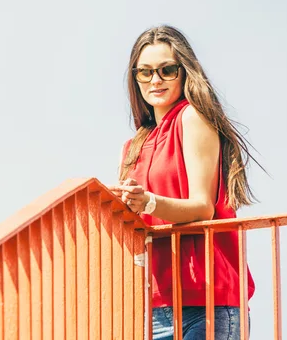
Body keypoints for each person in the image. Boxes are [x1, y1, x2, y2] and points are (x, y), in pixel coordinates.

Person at [109, 25, 259, 339]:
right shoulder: (133, 146)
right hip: (154, 304)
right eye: (145, 72)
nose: (155, 80)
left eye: (167, 70)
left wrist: (147, 201)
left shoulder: (191, 117)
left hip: (206, 301)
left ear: (184, 72)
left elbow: (202, 206)